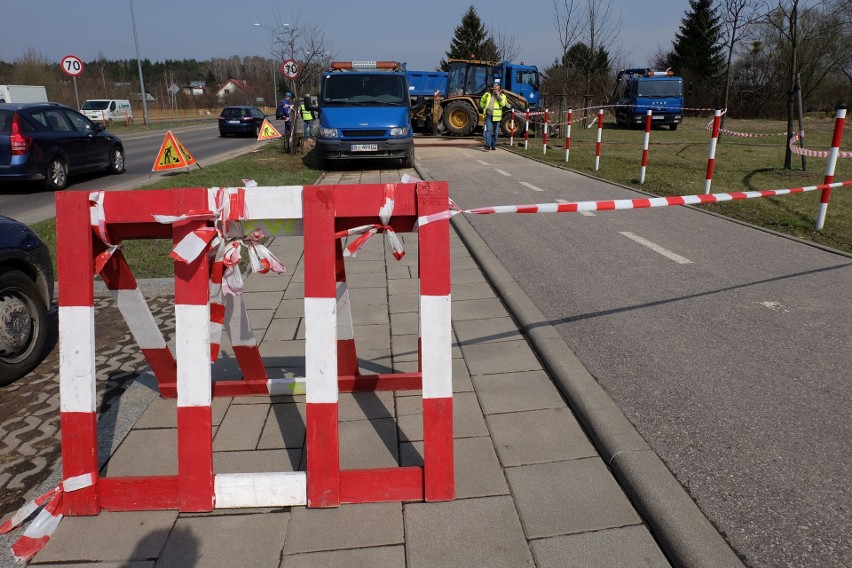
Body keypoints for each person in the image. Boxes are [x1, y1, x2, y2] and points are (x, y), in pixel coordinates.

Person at [479, 82, 509, 150]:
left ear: (499, 89)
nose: (495, 90)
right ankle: (487, 145)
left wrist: (498, 97)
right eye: (494, 89)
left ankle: (493, 144)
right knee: (488, 130)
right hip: (489, 115)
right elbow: (482, 101)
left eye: (496, 89)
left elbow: (503, 104)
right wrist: (483, 106)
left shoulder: (502, 96)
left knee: (495, 132)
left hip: (497, 117)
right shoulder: (488, 94)